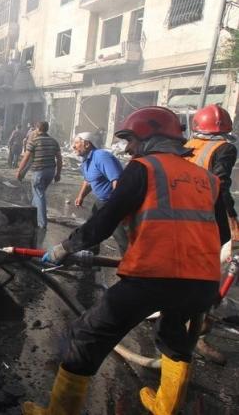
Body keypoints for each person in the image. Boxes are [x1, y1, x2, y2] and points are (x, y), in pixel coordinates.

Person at [22, 107, 224, 415]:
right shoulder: (207, 179)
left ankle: (59, 412)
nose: (127, 148)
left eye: (131, 140)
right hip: (203, 283)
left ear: (149, 137)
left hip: (153, 278)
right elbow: (220, 232)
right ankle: (165, 407)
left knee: (87, 335)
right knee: (174, 337)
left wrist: (64, 249)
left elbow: (105, 220)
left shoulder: (144, 168)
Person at [185, 104, 238, 365]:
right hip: (206, 218)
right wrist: (232, 222)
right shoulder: (225, 148)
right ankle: (195, 334)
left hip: (179, 215)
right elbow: (221, 185)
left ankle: (173, 319)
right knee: (207, 277)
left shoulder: (189, 144)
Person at [73, 131, 127, 255]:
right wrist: (81, 196)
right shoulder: (86, 161)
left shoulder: (101, 157)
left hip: (112, 201)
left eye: (76, 143)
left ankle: (130, 263)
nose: (73, 146)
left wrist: (115, 205)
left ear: (87, 144)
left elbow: (117, 180)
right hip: (101, 201)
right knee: (92, 227)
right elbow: (88, 181)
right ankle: (91, 255)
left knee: (120, 235)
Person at [15, 121, 61, 229]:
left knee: (39, 195)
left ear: (37, 129)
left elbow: (26, 158)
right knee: (37, 193)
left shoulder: (34, 141)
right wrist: (58, 173)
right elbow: (59, 158)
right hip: (50, 171)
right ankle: (32, 216)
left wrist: (19, 171)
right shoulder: (54, 141)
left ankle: (42, 223)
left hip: (39, 171)